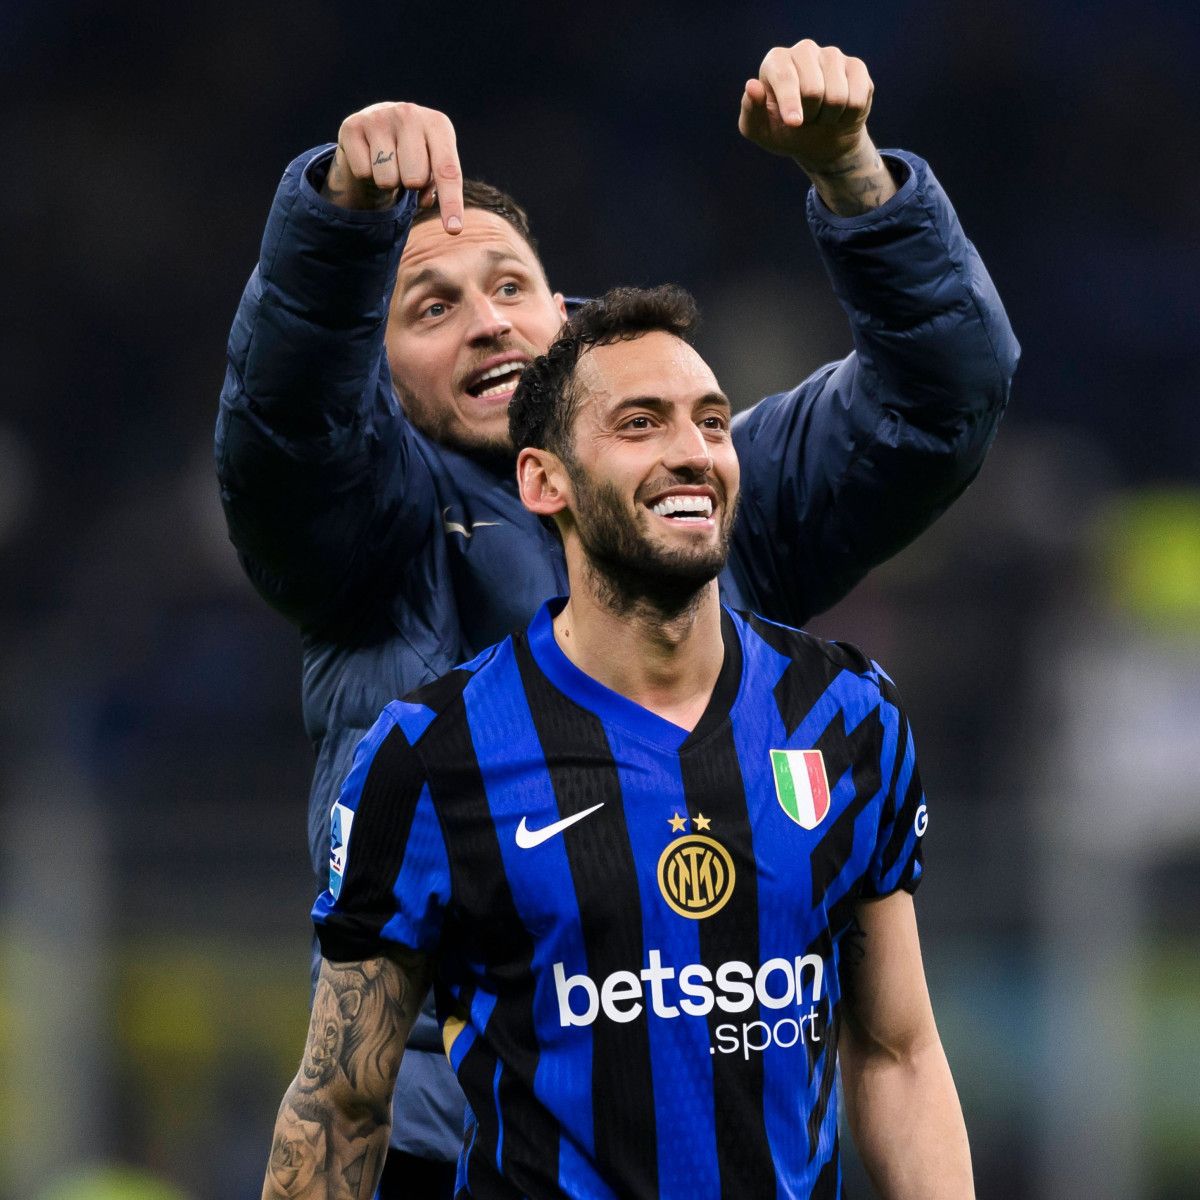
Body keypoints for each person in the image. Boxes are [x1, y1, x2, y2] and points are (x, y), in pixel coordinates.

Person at [220, 38, 1015, 1194]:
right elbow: (286, 434)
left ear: (564, 315)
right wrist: (337, 225)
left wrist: (853, 174)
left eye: (511, 287)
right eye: (432, 305)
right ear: (374, 376)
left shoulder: (701, 488)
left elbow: (940, 402)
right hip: (458, 1152)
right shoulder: (371, 537)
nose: (487, 322)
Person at [263, 285, 973, 1199]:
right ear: (543, 482)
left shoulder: (845, 715)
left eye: (711, 423)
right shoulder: (432, 756)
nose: (693, 453)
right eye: (640, 424)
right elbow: (340, 1107)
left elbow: (897, 1051)